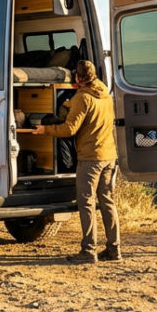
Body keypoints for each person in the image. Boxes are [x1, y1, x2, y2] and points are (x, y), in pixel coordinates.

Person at [26, 59, 120, 263]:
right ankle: (114, 249)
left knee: (86, 202)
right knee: (107, 201)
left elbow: (70, 129)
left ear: (77, 77)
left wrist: (44, 130)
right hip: (109, 156)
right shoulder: (105, 93)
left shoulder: (82, 97)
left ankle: (88, 250)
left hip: (91, 158)